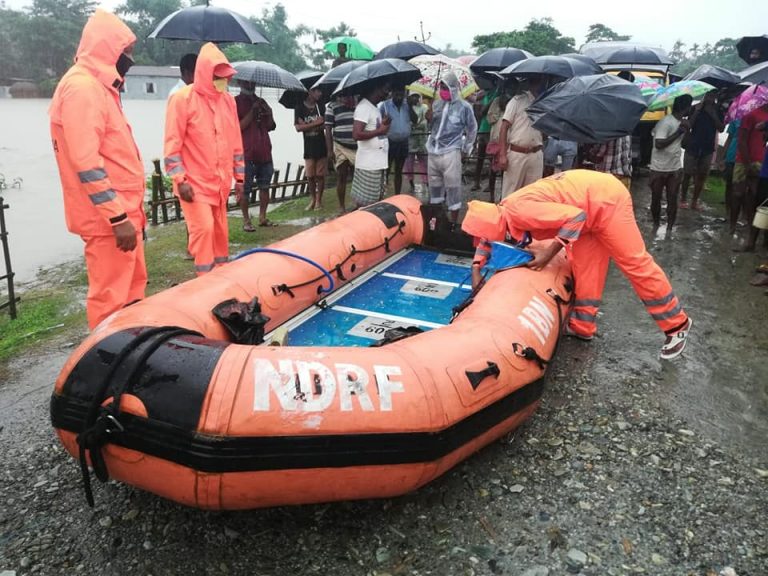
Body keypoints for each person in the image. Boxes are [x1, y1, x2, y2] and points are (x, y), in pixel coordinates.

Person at [461, 170, 693, 360]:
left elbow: (576, 217)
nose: (487, 242)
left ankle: (677, 325)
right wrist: (475, 269)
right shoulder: (501, 210)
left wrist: (549, 254)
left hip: (606, 201)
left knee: (634, 262)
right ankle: (583, 327)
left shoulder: (519, 211)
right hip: (589, 207)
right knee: (586, 269)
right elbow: (485, 239)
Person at [49, 9, 147, 330]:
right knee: (110, 303)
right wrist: (117, 218)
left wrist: (128, 217)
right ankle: (106, 372)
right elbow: (87, 163)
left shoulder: (102, 88)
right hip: (109, 221)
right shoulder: (83, 89)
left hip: (124, 216)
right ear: (108, 50)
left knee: (132, 299)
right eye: (126, 53)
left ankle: (130, 367)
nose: (129, 60)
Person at [164, 42, 244, 276]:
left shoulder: (227, 101)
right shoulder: (182, 100)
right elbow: (172, 146)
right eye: (218, 77)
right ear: (204, 74)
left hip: (219, 184)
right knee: (204, 231)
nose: (223, 82)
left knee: (220, 234)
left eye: (225, 77)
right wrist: (180, 180)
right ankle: (203, 281)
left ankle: (220, 277)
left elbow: (235, 142)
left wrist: (239, 179)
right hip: (194, 184)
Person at [426, 72, 478, 226]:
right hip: (433, 152)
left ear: (453, 88)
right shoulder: (436, 104)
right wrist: (429, 119)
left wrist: (466, 149)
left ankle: (453, 224)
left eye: (445, 87)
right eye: (441, 87)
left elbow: (472, 128)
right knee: (434, 188)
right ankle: (437, 221)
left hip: (451, 152)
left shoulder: (464, 107)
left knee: (453, 188)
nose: (442, 90)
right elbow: (433, 127)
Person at [235, 80, 276, 230]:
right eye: (246, 82)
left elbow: (271, 126)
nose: (250, 85)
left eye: (252, 83)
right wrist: (252, 111)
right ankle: (246, 221)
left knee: (265, 186)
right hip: (246, 153)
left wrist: (269, 112)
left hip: (264, 151)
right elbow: (237, 127)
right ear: (240, 83)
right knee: (245, 189)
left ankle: (262, 217)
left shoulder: (261, 101)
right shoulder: (235, 102)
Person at [497, 75, 545, 197]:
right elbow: (504, 128)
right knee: (511, 194)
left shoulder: (544, 103)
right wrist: (502, 155)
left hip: (536, 154)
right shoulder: (517, 101)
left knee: (533, 195)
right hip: (517, 154)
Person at [649, 95, 692, 229]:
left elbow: (685, 144)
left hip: (674, 166)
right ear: (685, 107)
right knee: (656, 197)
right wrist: (679, 132)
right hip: (658, 167)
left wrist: (687, 130)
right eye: (690, 106)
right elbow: (659, 144)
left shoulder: (683, 122)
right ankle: (656, 224)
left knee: (672, 198)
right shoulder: (666, 122)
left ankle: (669, 228)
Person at [680, 91, 724, 210]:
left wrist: (713, 115)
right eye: (708, 95)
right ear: (705, 95)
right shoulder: (696, 108)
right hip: (692, 145)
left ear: (715, 96)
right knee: (687, 173)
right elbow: (689, 125)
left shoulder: (718, 110)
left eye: (712, 95)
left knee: (702, 175)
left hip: (708, 147)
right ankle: (683, 199)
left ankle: (694, 201)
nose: (710, 97)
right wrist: (698, 111)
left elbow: (721, 128)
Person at [732, 105, 768, 250]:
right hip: (764, 168)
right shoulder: (753, 115)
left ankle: (756, 241)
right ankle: (752, 241)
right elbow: (760, 129)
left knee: (760, 203)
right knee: (760, 203)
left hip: (764, 166)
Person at [350, 83, 390, 207]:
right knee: (366, 203)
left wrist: (384, 125)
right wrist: (380, 130)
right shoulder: (364, 107)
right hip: (369, 164)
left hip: (378, 162)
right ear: (376, 88)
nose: (387, 92)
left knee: (377, 200)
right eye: (385, 89)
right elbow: (356, 134)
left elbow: (376, 131)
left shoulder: (375, 107)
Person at [294, 87, 327, 210]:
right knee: (310, 176)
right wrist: (315, 124)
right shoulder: (299, 108)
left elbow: (325, 124)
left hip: (321, 145)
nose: (320, 93)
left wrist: (307, 125)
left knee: (320, 175)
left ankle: (319, 200)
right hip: (308, 147)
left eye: (320, 90)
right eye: (317, 91)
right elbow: (298, 128)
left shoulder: (321, 107)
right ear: (310, 92)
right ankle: (312, 199)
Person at [325, 94, 358, 213]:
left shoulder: (358, 103)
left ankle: (358, 203)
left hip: (357, 146)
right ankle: (341, 206)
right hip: (340, 146)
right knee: (341, 176)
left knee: (358, 177)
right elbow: (328, 129)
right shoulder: (332, 106)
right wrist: (329, 151)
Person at [379, 85, 413, 195]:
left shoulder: (406, 105)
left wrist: (410, 106)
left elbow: (415, 120)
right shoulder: (384, 106)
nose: (399, 97)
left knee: (399, 170)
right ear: (392, 93)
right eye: (397, 94)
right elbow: (379, 125)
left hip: (403, 142)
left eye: (401, 94)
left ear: (404, 94)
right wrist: (384, 122)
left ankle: (397, 195)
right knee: (386, 170)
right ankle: (382, 195)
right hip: (389, 142)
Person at [404, 91, 429, 195]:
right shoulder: (406, 108)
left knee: (424, 162)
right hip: (410, 141)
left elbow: (424, 123)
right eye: (412, 96)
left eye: (417, 96)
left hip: (421, 140)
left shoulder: (424, 107)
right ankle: (411, 182)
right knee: (409, 163)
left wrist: (414, 125)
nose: (415, 98)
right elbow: (406, 124)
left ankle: (426, 182)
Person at [718, 119, 741, 221]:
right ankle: (728, 212)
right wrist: (722, 157)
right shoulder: (736, 120)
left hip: (746, 157)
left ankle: (742, 215)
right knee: (729, 185)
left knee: (742, 187)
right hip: (732, 155)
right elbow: (729, 138)